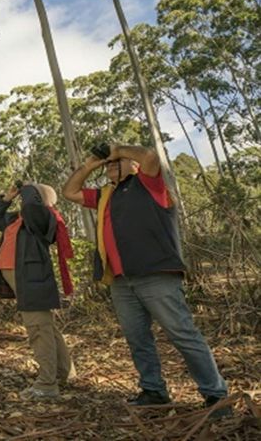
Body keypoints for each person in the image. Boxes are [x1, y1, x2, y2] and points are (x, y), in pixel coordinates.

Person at [62, 144, 229, 414]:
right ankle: (153, 390)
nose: (111, 166)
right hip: (120, 280)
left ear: (134, 165)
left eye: (118, 162)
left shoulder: (148, 185)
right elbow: (69, 192)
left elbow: (150, 156)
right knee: (137, 337)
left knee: (183, 334)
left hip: (156, 274)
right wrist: (92, 164)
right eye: (108, 165)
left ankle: (216, 396)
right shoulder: (106, 195)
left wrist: (117, 149)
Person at [0, 181, 76, 401]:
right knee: (46, 326)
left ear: (41, 200)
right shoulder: (17, 219)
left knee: (38, 327)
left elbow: (32, 207)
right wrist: (8, 197)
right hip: (21, 277)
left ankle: (47, 385)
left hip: (31, 278)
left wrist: (29, 187)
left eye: (29, 195)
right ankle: (64, 373)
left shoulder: (43, 218)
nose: (24, 198)